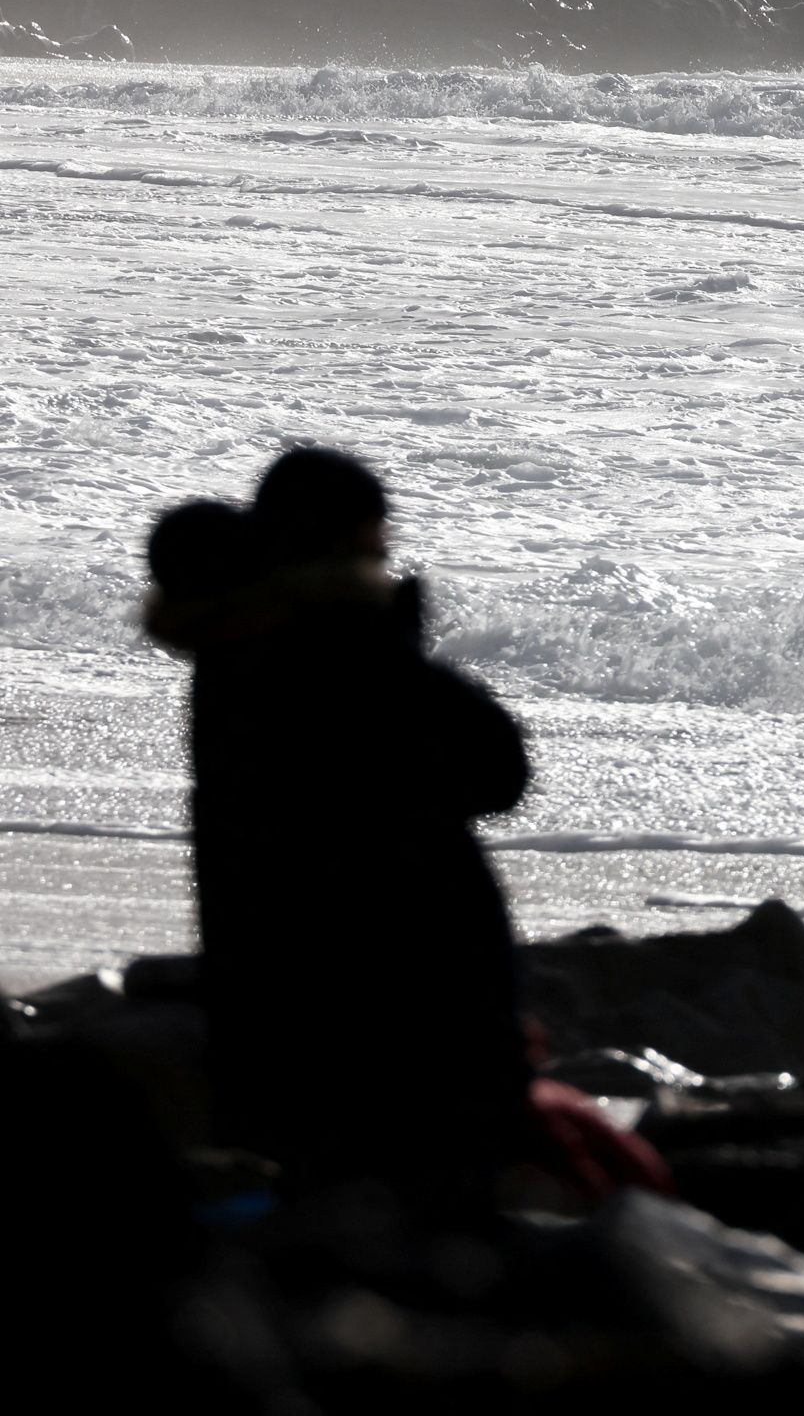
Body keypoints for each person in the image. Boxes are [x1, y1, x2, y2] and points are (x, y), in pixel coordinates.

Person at [155, 447, 536, 1211]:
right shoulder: (342, 654)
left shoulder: (231, 651)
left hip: (274, 1013)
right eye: (377, 535)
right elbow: (494, 769)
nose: (388, 550)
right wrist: (393, 643)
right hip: (398, 1021)